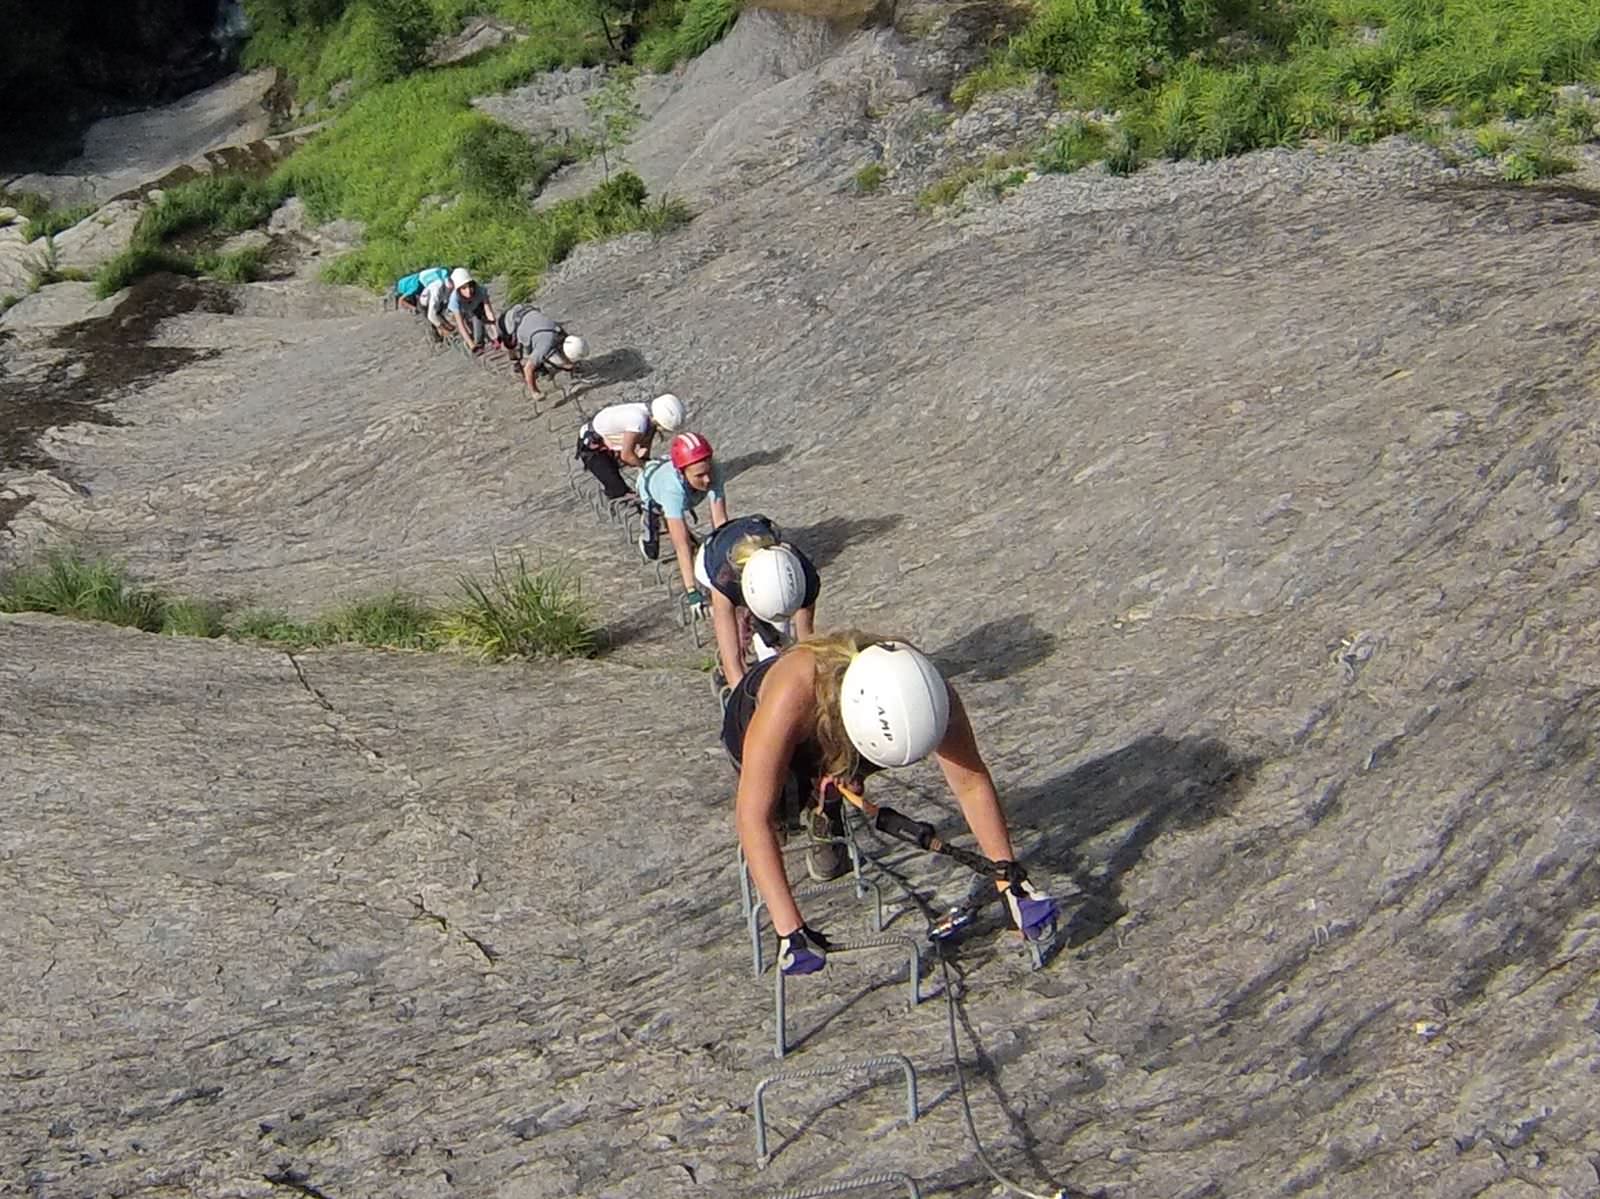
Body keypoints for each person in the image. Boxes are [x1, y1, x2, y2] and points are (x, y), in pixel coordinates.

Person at [723, 632, 1058, 974]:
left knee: (845, 782)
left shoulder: (927, 691)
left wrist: (1010, 884)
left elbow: (970, 783)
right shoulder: (793, 689)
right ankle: (820, 811)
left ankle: (832, 799)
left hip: (849, 736)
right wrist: (790, 931)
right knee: (781, 809)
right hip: (753, 718)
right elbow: (752, 818)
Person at [694, 514, 818, 690]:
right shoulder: (724, 581)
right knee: (736, 634)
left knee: (774, 649)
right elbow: (733, 665)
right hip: (712, 557)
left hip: (766, 576)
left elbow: (806, 644)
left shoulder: (806, 578)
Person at [637, 432, 727, 610]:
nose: (708, 479)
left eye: (708, 472)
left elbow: (720, 520)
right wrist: (691, 589)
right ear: (683, 473)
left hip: (679, 483)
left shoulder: (713, 470)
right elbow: (681, 545)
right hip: (652, 491)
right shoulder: (672, 490)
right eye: (699, 475)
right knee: (656, 547)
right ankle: (648, 529)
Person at [576, 394, 686, 500]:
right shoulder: (638, 421)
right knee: (620, 492)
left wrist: (646, 465)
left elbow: (644, 448)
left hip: (611, 441)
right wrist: (647, 467)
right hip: (593, 448)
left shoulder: (650, 416)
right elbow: (627, 456)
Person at [496, 302, 587, 395]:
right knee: (512, 346)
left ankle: (538, 364)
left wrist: (572, 366)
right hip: (507, 322)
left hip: (527, 315)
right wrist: (535, 392)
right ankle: (516, 364)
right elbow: (528, 369)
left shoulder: (562, 334)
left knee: (536, 347)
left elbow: (562, 356)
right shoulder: (544, 345)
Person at [446, 267, 498, 351]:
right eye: (464, 288)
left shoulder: (480, 290)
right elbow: (460, 324)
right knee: (468, 333)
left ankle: (485, 340)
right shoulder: (454, 299)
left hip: (473, 308)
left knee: (479, 331)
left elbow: (489, 312)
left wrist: (496, 334)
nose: (468, 291)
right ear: (458, 290)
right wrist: (471, 345)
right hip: (458, 313)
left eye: (470, 286)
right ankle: (469, 343)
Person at [418, 267, 457, 339]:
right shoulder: (437, 289)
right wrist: (442, 328)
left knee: (446, 321)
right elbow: (431, 315)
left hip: (440, 300)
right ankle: (439, 338)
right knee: (434, 321)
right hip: (424, 304)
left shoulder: (448, 284)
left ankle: (449, 330)